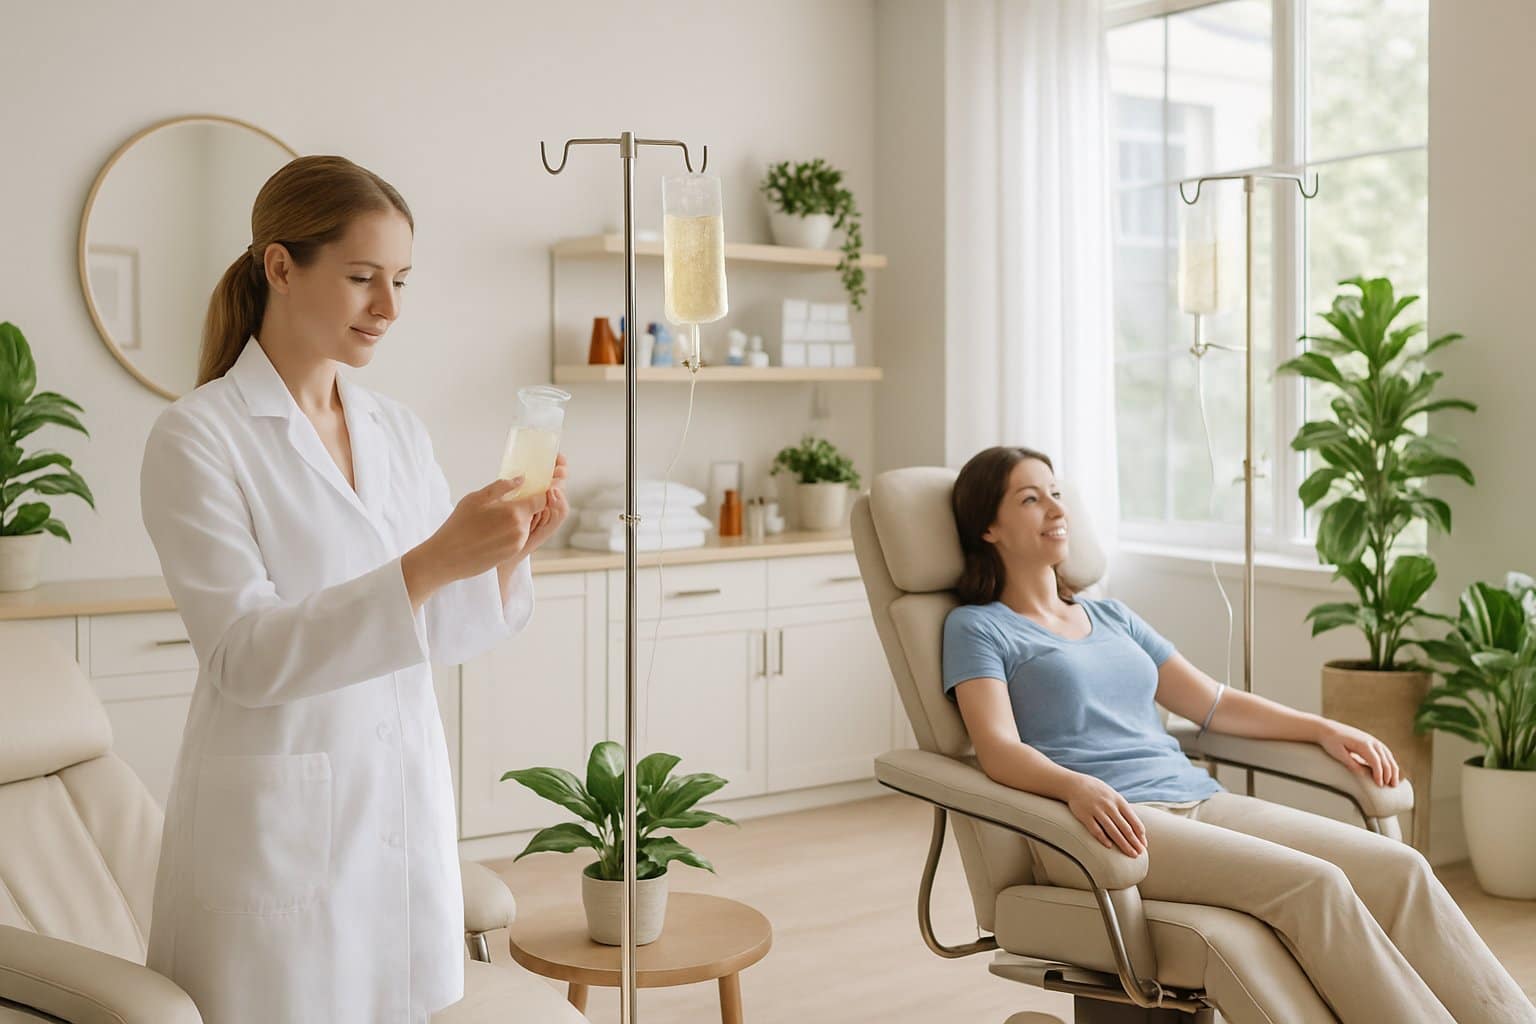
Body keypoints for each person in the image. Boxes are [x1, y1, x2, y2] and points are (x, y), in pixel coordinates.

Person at [139, 155, 568, 1023]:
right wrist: (433, 560)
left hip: (397, 810)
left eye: (401, 280)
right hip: (275, 835)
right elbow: (244, 657)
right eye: (363, 277)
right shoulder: (199, 437)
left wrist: (503, 552)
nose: (389, 308)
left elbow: (440, 630)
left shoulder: (396, 431)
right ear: (281, 266)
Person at [942, 445, 1535, 1024]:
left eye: (1056, 493)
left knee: (1400, 870)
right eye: (1030, 499)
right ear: (989, 528)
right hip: (1107, 828)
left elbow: (1213, 703)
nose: (1056, 508)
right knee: (1316, 886)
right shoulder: (978, 628)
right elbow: (998, 749)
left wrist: (1323, 729)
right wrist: (1076, 787)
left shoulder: (1112, 616)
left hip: (1197, 799)